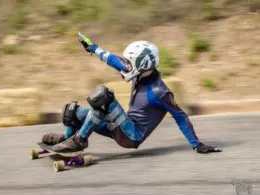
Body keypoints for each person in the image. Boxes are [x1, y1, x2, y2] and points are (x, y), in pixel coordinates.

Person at [42, 32, 222, 154]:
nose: (126, 65)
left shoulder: (160, 92)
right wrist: (93, 48)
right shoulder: (138, 73)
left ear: (142, 64)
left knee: (103, 99)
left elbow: (181, 116)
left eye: (129, 62)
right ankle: (67, 139)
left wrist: (197, 145)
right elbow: (113, 61)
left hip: (132, 136)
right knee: (71, 110)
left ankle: (79, 140)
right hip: (120, 126)